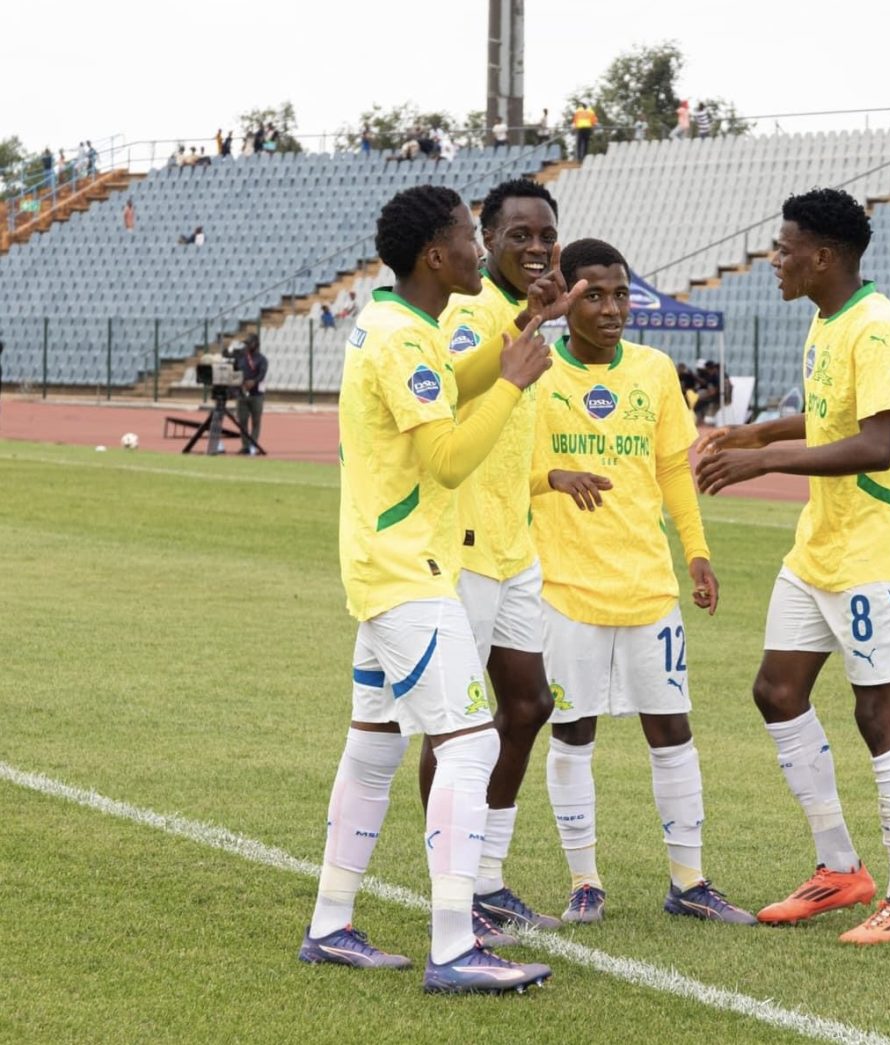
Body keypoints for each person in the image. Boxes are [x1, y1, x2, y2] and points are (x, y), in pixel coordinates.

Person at [299, 183, 555, 993]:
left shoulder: (402, 324)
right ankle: (454, 946)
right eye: (469, 242)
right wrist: (514, 382)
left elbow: (455, 383)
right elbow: (446, 458)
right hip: (409, 573)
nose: (482, 253)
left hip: (386, 567)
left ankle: (331, 925)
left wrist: (515, 339)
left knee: (374, 747)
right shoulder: (403, 339)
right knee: (473, 742)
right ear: (434, 256)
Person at [693, 188, 890, 945]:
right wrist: (757, 431)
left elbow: (876, 443)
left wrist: (766, 460)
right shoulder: (828, 319)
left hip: (876, 550)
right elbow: (831, 417)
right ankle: (841, 868)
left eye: (785, 246)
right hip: (822, 545)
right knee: (776, 689)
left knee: (877, 712)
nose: (775, 257)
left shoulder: (876, 327)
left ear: (824, 256)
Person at [532, 238, 757, 927]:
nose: (611, 308)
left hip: (647, 587)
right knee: (572, 731)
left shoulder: (656, 371)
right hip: (567, 588)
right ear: (565, 299)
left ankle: (688, 879)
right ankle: (584, 881)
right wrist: (552, 477)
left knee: (672, 729)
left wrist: (697, 552)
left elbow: (669, 471)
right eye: (593, 294)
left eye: (620, 293)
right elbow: (503, 468)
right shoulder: (534, 374)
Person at [428, 177, 584, 938]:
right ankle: (451, 889)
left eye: (545, 236)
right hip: (462, 551)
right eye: (518, 235)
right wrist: (526, 323)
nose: (535, 247)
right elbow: (455, 399)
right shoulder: (464, 314)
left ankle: (486, 878)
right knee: (457, 729)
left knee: (527, 705)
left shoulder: (519, 318)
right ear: (485, 240)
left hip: (512, 547)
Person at [235, 334, 268, 455]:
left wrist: (253, 381)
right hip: (242, 393)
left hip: (257, 394)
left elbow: (262, 374)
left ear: (256, 344)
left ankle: (253, 445)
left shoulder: (262, 359)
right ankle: (245, 446)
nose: (247, 346)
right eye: (246, 344)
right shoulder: (241, 358)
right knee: (242, 421)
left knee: (256, 421)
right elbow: (236, 372)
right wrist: (241, 383)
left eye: (249, 343)